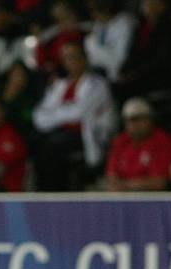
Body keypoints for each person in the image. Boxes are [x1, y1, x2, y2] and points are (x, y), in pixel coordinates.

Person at [32, 41, 115, 191]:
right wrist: (64, 112)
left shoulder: (98, 84)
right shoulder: (59, 85)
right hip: (58, 133)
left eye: (74, 56)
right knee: (37, 141)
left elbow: (79, 113)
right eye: (67, 58)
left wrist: (56, 113)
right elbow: (39, 117)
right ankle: (43, 193)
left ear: (84, 59)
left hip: (86, 134)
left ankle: (56, 193)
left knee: (53, 146)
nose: (71, 61)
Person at [106, 97, 171, 191]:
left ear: (149, 120)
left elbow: (160, 183)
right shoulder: (121, 141)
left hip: (154, 198)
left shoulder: (162, 140)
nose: (134, 125)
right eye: (129, 120)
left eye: (138, 119)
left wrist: (125, 186)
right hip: (123, 197)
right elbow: (112, 176)